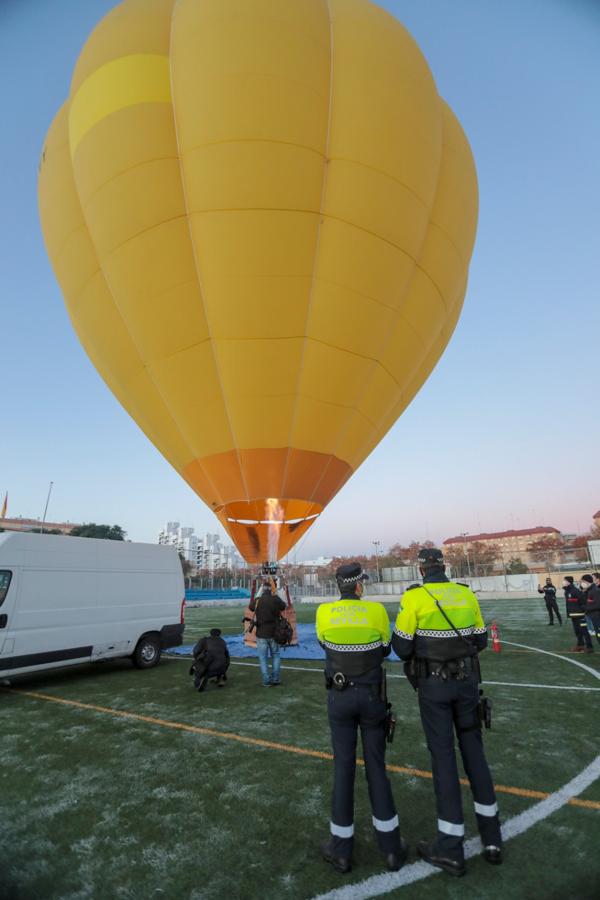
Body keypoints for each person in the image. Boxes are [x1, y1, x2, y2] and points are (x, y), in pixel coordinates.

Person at [392, 547, 502, 877]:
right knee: (475, 755)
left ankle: (450, 847)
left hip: (433, 686)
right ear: (444, 566)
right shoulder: (465, 595)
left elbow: (400, 647)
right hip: (467, 683)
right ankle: (492, 839)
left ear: (421, 569)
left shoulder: (415, 598)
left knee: (443, 759)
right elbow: (480, 639)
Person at [316, 563, 406, 875]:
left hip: (339, 698)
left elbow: (325, 646)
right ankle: (391, 849)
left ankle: (341, 851)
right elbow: (384, 650)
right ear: (358, 586)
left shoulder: (324, 613)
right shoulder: (377, 612)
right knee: (377, 769)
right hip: (371, 697)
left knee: (343, 769)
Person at [248, 582, 286, 686]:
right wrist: (277, 594)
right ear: (271, 589)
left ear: (262, 589)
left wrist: (258, 594)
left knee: (263, 658)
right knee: (276, 655)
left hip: (261, 633)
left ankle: (266, 681)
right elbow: (283, 606)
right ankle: (276, 679)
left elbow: (250, 607)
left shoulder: (258, 600)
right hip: (274, 632)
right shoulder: (275, 599)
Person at [563, 576, 593, 653]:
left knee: (584, 631)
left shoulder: (575, 591)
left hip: (580, 615)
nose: (563, 582)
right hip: (573, 615)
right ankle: (580, 645)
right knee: (577, 631)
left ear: (568, 582)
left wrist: (582, 610)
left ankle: (589, 647)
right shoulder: (567, 591)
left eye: (564, 580)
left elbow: (583, 602)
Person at [581, 573, 600, 647]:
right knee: (597, 635)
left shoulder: (595, 591)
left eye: (583, 581)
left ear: (587, 581)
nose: (582, 583)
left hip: (597, 616)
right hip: (593, 616)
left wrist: (585, 608)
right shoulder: (589, 590)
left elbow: (597, 605)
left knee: (599, 634)